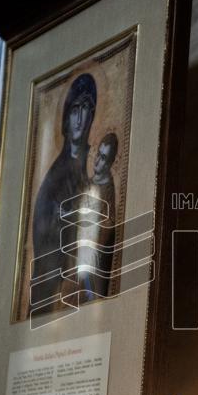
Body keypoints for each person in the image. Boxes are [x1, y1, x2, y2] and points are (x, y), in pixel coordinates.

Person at [29, 74, 97, 311]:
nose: (80, 118)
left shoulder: (86, 168)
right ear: (66, 120)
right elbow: (49, 252)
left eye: (87, 108)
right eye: (75, 109)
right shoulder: (57, 179)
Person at [76, 132, 118, 301]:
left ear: (110, 163)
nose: (97, 161)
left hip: (95, 256)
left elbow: (109, 224)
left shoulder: (108, 189)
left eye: (103, 158)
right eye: (98, 155)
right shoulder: (88, 183)